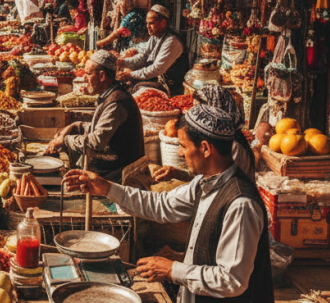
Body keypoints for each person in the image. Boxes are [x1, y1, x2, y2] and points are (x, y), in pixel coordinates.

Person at [63, 104, 273, 303]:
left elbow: (231, 280)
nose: (180, 153)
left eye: (183, 146)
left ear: (206, 149)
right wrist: (107, 188)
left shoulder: (241, 204)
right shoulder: (204, 181)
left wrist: (173, 269)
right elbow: (162, 205)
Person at [45, 51, 144, 183]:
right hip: (114, 165)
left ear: (102, 76)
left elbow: (96, 141)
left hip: (118, 172)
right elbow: (100, 129)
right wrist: (76, 126)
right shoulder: (110, 95)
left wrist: (66, 140)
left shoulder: (117, 102)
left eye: (88, 74)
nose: (85, 78)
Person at [155, 85, 255, 181]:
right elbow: (212, 180)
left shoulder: (232, 146)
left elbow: (219, 186)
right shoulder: (225, 139)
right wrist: (178, 174)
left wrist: (181, 175)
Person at [116, 5, 189, 96]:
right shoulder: (155, 36)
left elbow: (157, 69)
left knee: (138, 87)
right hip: (159, 80)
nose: (147, 27)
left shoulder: (172, 41)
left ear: (163, 23)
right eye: (147, 23)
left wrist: (131, 75)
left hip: (171, 88)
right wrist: (122, 62)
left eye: (151, 23)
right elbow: (144, 57)